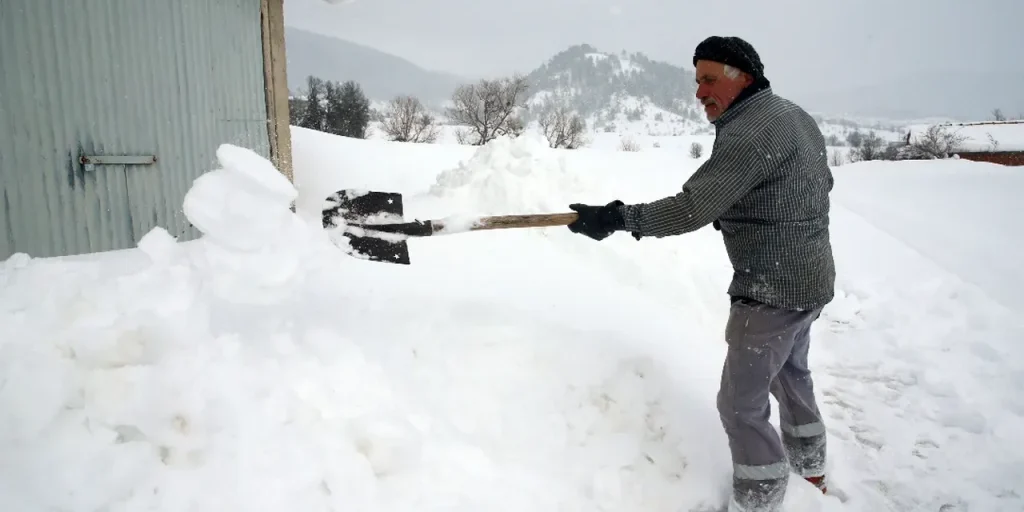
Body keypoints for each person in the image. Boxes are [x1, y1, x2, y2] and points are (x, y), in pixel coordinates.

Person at [565, 35, 835, 512]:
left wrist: (615, 218)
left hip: (770, 289)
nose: (698, 93)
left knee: (740, 406)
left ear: (743, 77)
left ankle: (761, 498)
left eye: (709, 80)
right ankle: (810, 467)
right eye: (697, 81)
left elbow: (692, 208)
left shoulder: (750, 133)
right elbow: (818, 183)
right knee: (792, 374)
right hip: (809, 278)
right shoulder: (793, 115)